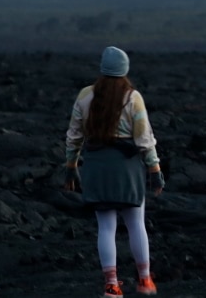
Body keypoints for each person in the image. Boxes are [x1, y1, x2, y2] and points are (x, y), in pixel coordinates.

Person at [63, 46, 165, 297]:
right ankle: (144, 281)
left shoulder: (85, 96)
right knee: (135, 224)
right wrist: (154, 169)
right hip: (127, 168)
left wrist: (71, 166)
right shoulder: (133, 97)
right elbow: (144, 138)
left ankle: (111, 285)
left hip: (97, 166)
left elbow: (74, 136)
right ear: (125, 70)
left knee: (106, 227)